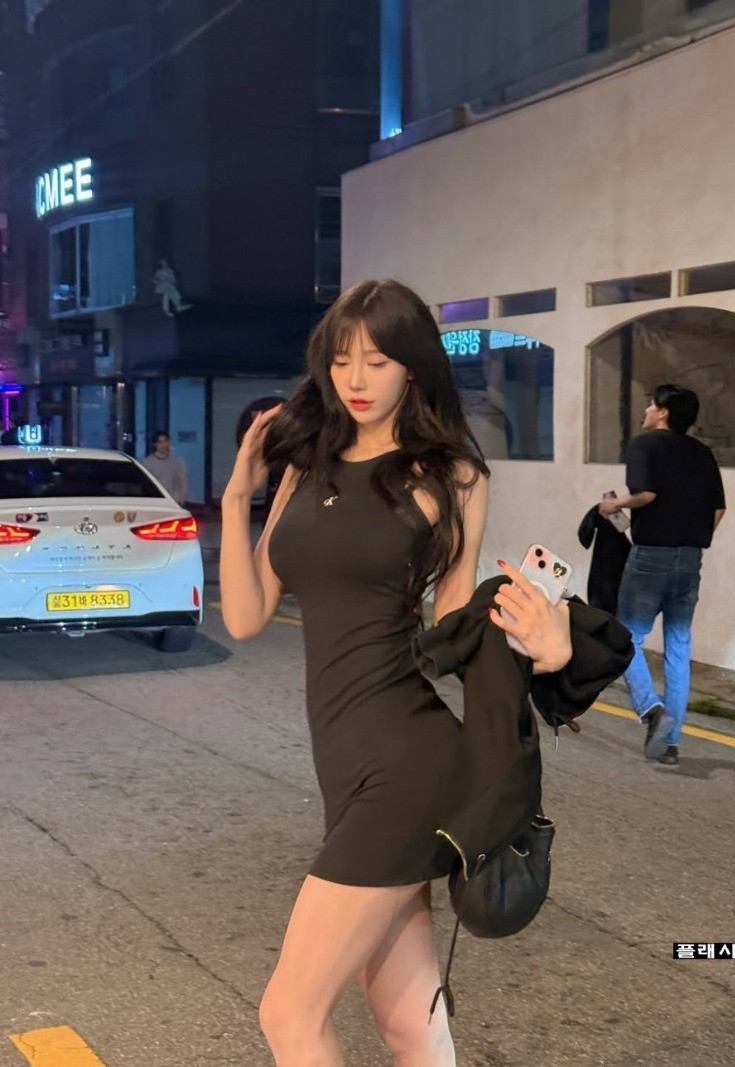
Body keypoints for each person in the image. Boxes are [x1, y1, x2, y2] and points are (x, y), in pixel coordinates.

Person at [219, 279, 573, 1065]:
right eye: (341, 359)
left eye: (377, 361)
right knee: (409, 1024)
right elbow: (245, 616)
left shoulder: (451, 474)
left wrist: (546, 643)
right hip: (344, 767)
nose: (356, 378)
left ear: (412, 366)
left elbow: (456, 622)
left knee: (289, 1013)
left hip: (407, 764)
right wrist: (240, 496)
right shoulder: (305, 464)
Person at [599, 384, 725, 766]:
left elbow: (647, 494)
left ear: (664, 412)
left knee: (626, 637)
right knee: (678, 647)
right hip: (690, 558)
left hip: (651, 556)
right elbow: (718, 510)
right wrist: (690, 537)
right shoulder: (703, 452)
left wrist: (613, 505)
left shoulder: (644, 445)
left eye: (651, 405)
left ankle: (651, 709)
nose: (647, 410)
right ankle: (670, 745)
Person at [143, 432, 188, 504]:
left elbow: (182, 480)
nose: (163, 445)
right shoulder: (148, 462)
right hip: (156, 500)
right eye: (160, 442)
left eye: (165, 442)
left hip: (174, 500)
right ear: (156, 444)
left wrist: (182, 498)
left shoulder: (177, 461)